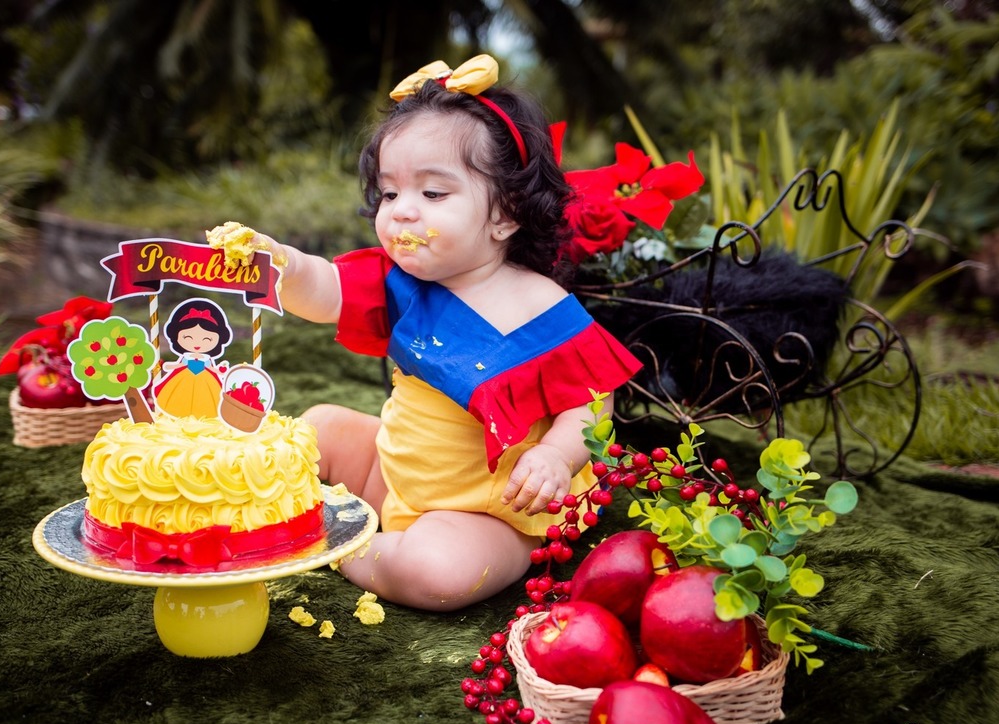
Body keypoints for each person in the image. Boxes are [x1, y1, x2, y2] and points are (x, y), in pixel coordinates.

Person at [251, 55, 642, 610]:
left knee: (442, 574)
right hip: (393, 476)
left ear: (505, 214)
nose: (403, 212)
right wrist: (282, 263)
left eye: (433, 195)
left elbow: (592, 403)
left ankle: (332, 541)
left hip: (489, 511)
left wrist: (556, 456)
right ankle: (328, 515)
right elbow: (325, 288)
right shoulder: (401, 283)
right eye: (390, 194)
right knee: (317, 428)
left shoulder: (541, 305)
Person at [154, 298, 233, 419]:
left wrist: (220, 371)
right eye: (188, 337)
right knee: (178, 396)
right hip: (184, 379)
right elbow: (179, 365)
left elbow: (211, 368)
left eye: (207, 339)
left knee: (208, 398)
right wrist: (168, 366)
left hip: (205, 381)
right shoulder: (186, 357)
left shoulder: (206, 358)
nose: (197, 343)